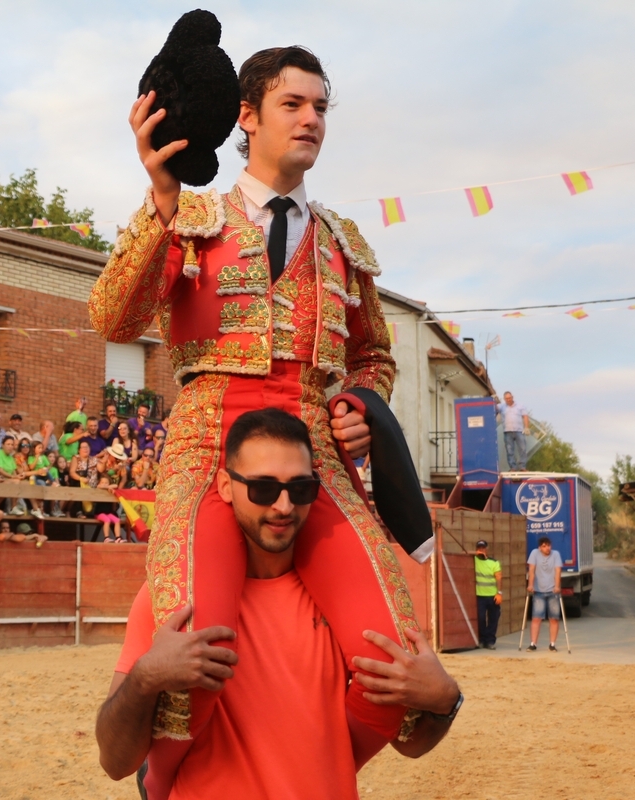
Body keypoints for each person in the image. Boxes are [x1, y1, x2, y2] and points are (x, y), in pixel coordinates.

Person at [90, 45, 420, 770]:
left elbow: (373, 357)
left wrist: (362, 404)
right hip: (207, 447)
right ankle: (166, 784)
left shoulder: (342, 245)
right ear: (248, 116)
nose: (311, 119)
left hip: (313, 459)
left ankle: (319, 770)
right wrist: (161, 199)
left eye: (321, 107)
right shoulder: (188, 214)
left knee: (394, 663)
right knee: (192, 650)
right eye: (293, 104)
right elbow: (113, 319)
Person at [97, 409, 461, 798]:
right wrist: (144, 677)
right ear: (224, 485)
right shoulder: (167, 598)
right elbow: (116, 763)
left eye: (301, 488)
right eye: (263, 488)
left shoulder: (343, 603)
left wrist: (445, 701)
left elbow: (412, 743)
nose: (284, 506)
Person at [526, 536, 563, 652]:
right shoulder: (534, 553)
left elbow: (558, 571)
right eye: (544, 546)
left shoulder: (555, 554)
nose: (547, 548)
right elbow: (531, 570)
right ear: (539, 548)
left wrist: (557, 586)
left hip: (552, 591)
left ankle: (552, 644)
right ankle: (533, 644)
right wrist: (530, 585)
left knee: (554, 619)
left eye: (549, 545)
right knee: (536, 618)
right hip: (539, 591)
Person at [474, 539, 503, 650]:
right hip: (479, 595)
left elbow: (499, 578)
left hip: (492, 595)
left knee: (493, 619)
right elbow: (463, 554)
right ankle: (482, 640)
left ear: (487, 549)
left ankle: (490, 641)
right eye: (479, 548)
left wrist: (499, 593)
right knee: (480, 618)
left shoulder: (494, 562)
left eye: (483, 548)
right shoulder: (474, 559)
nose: (481, 550)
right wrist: (475, 554)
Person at [495, 391, 530, 472]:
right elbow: (493, 408)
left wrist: (526, 427)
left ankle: (522, 467)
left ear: (512, 397)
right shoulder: (501, 407)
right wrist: (493, 400)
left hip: (519, 431)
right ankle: (513, 467)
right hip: (507, 431)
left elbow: (525, 416)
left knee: (523, 449)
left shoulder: (520, 406)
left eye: (509, 398)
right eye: (506, 398)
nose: (508, 400)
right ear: (504, 399)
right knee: (509, 450)